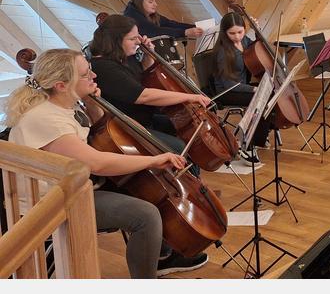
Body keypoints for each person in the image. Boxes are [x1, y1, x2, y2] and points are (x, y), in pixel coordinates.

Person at [3, 49, 205, 278]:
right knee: (146, 215)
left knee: (145, 190)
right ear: (61, 85)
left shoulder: (65, 103)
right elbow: (96, 162)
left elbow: (101, 126)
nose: (94, 75)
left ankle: (159, 255)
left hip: (71, 187)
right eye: (85, 74)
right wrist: (153, 160)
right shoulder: (45, 118)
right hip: (49, 204)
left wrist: (90, 100)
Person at [88, 14, 210, 176]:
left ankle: (196, 179)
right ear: (117, 40)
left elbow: (144, 78)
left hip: (145, 118)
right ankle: (189, 182)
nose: (138, 41)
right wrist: (190, 96)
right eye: (132, 38)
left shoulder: (123, 58)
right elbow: (143, 95)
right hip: (128, 126)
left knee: (185, 125)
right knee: (179, 147)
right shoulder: (104, 67)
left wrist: (149, 54)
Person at [210, 12, 272, 161]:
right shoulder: (222, 52)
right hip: (227, 92)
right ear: (224, 33)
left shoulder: (244, 41)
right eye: (232, 33)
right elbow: (228, 85)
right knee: (260, 99)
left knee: (272, 93)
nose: (237, 36)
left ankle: (260, 135)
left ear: (244, 29)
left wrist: (257, 31)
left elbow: (259, 47)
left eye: (240, 32)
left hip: (242, 86)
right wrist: (253, 89)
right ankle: (249, 144)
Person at [123, 0, 204, 39]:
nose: (155, 4)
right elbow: (155, 31)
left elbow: (170, 24)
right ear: (140, 2)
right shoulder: (132, 16)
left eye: (155, 1)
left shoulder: (151, 15)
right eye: (151, 2)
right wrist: (185, 32)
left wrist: (197, 27)